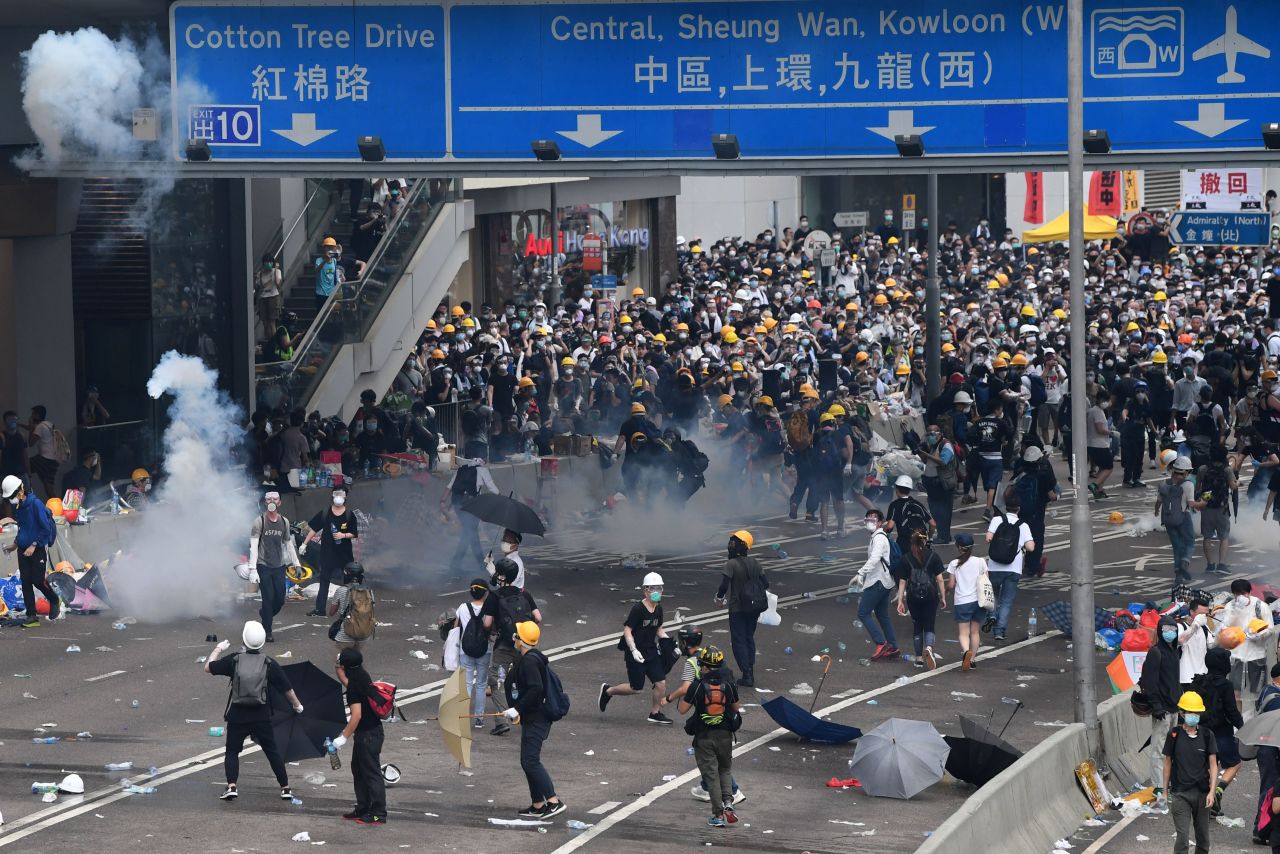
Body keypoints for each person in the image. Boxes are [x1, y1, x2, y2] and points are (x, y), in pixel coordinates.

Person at [203, 620, 301, 802]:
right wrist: (297, 706)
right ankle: (285, 788)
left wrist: (217, 649)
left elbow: (208, 667)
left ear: (244, 639)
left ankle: (232, 786)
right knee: (272, 751)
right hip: (261, 715)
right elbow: (287, 689)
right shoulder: (269, 663)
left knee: (232, 751)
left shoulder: (234, 659)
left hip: (237, 715)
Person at [665, 626, 746, 807]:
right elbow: (736, 705)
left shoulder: (693, 666)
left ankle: (727, 798)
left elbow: (685, 696)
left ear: (685, 642)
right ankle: (715, 791)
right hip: (725, 724)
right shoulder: (719, 663)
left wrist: (669, 699)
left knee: (709, 760)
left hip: (705, 723)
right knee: (720, 763)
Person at [503, 620, 566, 818]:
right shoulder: (529, 658)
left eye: (517, 635)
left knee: (530, 761)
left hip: (537, 717)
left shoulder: (530, 661)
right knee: (527, 760)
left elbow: (536, 689)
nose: (514, 637)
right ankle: (538, 804)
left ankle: (553, 801)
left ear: (521, 641)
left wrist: (517, 709)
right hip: (532, 717)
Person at [678, 645, 742, 828]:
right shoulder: (729, 684)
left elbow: (682, 710)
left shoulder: (698, 686)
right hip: (725, 735)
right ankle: (729, 804)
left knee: (711, 776)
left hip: (704, 737)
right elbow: (736, 708)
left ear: (703, 666)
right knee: (725, 770)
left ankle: (718, 815)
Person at [599, 571, 673, 723]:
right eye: (653, 588)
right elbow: (627, 630)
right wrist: (633, 650)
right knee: (636, 688)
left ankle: (655, 713)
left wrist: (670, 643)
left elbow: (658, 628)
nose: (657, 592)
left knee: (660, 683)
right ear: (645, 590)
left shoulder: (659, 608)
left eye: (659, 588)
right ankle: (608, 691)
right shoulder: (638, 609)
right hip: (636, 652)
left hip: (651, 651)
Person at [482, 558, 541, 736]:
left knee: (498, 680)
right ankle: (522, 713)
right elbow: (538, 617)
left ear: (501, 575)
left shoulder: (495, 596)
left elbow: (487, 623)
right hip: (524, 648)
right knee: (522, 679)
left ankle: (501, 720)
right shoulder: (525, 594)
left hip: (505, 647)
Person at [330, 648, 386, 825]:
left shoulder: (355, 685)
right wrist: (339, 669)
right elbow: (350, 685)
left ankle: (378, 813)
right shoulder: (361, 675)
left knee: (371, 773)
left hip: (368, 734)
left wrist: (343, 738)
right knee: (358, 769)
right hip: (370, 733)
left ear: (347, 666)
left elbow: (356, 715)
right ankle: (363, 807)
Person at [1161, 691, 1217, 854]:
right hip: (1181, 795)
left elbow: (1213, 765)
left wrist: (1212, 792)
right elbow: (1167, 763)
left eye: (1197, 713)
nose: (1194, 716)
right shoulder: (1174, 735)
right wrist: (1165, 792)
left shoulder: (1207, 735)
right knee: (1182, 839)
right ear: (1182, 713)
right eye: (1190, 712)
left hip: (1202, 794)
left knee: (1203, 840)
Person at [0, 475, 58, 627]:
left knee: (38, 581)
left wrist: (33, 545)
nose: (11, 500)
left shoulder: (36, 504)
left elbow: (45, 529)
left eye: (12, 496)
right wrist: (15, 545)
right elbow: (22, 529)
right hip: (23, 550)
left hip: (37, 549)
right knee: (25, 582)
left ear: (20, 491)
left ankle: (53, 599)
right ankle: (31, 616)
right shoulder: (18, 507)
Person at [1191, 648, 1242, 819]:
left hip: (1201, 732)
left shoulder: (1198, 681)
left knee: (1207, 767)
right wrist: (1243, 727)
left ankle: (1203, 802)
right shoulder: (1226, 685)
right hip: (1222, 733)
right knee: (1234, 763)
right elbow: (1231, 711)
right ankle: (1218, 791)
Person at [716, 530, 767, 687]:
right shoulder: (756, 563)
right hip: (753, 609)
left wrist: (719, 597)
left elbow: (724, 584)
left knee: (739, 640)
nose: (731, 545)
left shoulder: (731, 564)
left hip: (737, 608)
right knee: (748, 638)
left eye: (734, 542)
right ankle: (749, 669)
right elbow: (766, 583)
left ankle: (746, 674)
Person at [248, 490, 300, 643]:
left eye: (275, 499)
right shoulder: (259, 521)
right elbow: (253, 546)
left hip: (279, 565)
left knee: (280, 599)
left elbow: (289, 544)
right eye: (269, 499)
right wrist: (252, 569)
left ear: (280, 502)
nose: (272, 501)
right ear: (265, 502)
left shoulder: (284, 522)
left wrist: (297, 564)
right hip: (263, 565)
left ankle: (265, 613)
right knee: (268, 598)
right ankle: (267, 631)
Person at [983, 494, 1035, 643]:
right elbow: (1031, 547)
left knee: (992, 596)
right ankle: (999, 631)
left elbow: (988, 537)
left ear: (1005, 507)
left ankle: (991, 615)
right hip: (1013, 569)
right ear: (1019, 508)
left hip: (994, 566)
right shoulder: (1023, 525)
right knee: (1006, 601)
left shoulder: (997, 520)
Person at [1141, 616, 1184, 795]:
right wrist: (1156, 705)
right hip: (1162, 709)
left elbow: (1174, 681)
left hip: (1174, 707)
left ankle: (1168, 783)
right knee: (1159, 748)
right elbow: (1149, 682)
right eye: (1166, 629)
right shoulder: (1155, 652)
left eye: (1173, 630)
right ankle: (1159, 786)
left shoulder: (1173, 651)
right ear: (1159, 631)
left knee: (1171, 750)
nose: (1170, 633)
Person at [893, 530, 947, 669]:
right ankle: (929, 647)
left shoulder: (906, 558)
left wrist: (900, 601)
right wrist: (943, 596)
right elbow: (940, 579)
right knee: (929, 623)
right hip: (931, 595)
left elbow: (902, 582)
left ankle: (918, 658)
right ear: (925, 540)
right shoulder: (933, 556)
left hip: (913, 596)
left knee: (917, 625)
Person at [852, 509, 899, 661]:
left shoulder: (879, 538)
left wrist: (860, 573)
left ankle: (881, 643)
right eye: (868, 519)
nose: (870, 522)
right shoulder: (879, 537)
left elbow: (875, 558)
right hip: (885, 581)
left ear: (880, 523)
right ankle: (892, 646)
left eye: (873, 520)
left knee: (863, 612)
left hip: (877, 581)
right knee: (882, 615)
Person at [304, 486, 359, 617]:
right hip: (327, 553)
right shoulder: (325, 512)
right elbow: (313, 529)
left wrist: (343, 535)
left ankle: (350, 610)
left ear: (346, 496)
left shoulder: (349, 515)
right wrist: (304, 544)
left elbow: (354, 533)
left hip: (344, 554)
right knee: (324, 582)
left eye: (342, 494)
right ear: (332, 495)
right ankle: (320, 610)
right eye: (336, 494)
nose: (339, 496)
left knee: (349, 582)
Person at [1221, 578, 1273, 707]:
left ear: (1249, 592)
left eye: (1244, 593)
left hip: (1256, 655)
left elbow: (1270, 629)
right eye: (1237, 594)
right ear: (1234, 594)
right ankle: (1239, 726)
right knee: (1235, 693)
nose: (1241, 597)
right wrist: (1236, 612)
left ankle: (1256, 721)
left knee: (1257, 693)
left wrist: (1257, 635)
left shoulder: (1260, 606)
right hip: (1236, 656)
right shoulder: (1230, 607)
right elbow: (1225, 626)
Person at [440, 457, 498, 569]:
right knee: (471, 533)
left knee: (469, 533)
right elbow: (491, 486)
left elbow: (449, 487)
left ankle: (459, 564)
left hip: (458, 505)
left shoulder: (461, 469)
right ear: (483, 463)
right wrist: (501, 497)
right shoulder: (482, 470)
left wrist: (442, 502)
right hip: (472, 505)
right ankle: (478, 564)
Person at [946, 533, 987, 671]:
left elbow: (951, 585)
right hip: (979, 601)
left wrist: (945, 591)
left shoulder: (954, 564)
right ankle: (973, 659)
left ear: (958, 547)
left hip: (962, 601)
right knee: (975, 632)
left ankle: (965, 653)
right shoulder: (981, 561)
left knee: (963, 633)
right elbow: (986, 581)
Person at [1191, 447, 1235, 576]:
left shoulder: (1203, 469)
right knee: (1224, 537)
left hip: (1206, 507)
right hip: (1222, 508)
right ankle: (1221, 564)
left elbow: (1197, 487)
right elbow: (1233, 486)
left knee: (1207, 537)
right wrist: (1237, 483)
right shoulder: (1227, 470)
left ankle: (1210, 565)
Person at [454, 578, 492, 727]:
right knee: (481, 685)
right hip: (485, 649)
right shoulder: (489, 607)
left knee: (467, 684)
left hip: (466, 649)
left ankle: (463, 716)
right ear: (485, 593)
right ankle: (479, 719)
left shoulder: (463, 607)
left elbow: (457, 626)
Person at [1156, 457, 1197, 587]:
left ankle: (1178, 576)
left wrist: (1156, 511)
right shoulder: (1188, 484)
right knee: (1189, 542)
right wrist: (1202, 503)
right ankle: (1184, 562)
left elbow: (1159, 501)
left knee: (1176, 547)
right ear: (1186, 472)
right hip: (1183, 517)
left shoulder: (1164, 483)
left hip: (1168, 520)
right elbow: (1191, 504)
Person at [972, 398, 1013, 520]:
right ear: (997, 410)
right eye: (1001, 409)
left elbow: (970, 435)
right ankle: (987, 511)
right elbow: (1010, 433)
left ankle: (995, 509)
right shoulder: (1000, 422)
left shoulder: (979, 422)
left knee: (988, 485)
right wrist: (1003, 439)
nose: (1002, 411)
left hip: (981, 457)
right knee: (993, 485)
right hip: (995, 457)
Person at [917, 423, 957, 543]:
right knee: (935, 510)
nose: (930, 436)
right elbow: (927, 461)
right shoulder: (933, 445)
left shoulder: (946, 445)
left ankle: (944, 537)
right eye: (928, 434)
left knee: (943, 511)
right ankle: (942, 535)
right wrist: (921, 451)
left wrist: (927, 454)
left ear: (940, 433)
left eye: (932, 434)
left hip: (942, 484)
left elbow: (943, 462)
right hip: (932, 484)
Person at [1255, 664, 1280, 844]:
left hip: (1265, 746)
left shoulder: (1266, 690)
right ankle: (1263, 830)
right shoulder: (1276, 698)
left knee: (1267, 788)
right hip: (1273, 749)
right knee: (1271, 789)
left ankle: (1262, 829)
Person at [326, 561, 374, 650]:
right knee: (356, 659)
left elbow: (332, 612)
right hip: (363, 633)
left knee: (341, 661)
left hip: (345, 634)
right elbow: (371, 608)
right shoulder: (368, 592)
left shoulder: (341, 590)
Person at [884, 475, 934, 545]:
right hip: (922, 538)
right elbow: (933, 524)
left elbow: (890, 526)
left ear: (897, 489)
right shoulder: (917, 503)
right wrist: (930, 538)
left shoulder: (894, 505)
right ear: (909, 490)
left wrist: (883, 533)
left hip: (905, 541)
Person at [25, 405, 59, 500]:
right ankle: (58, 506)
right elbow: (31, 428)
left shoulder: (40, 427)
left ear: (38, 415)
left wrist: (31, 428)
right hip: (53, 460)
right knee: (49, 487)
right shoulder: (49, 424)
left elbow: (31, 442)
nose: (31, 416)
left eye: (33, 414)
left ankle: (26, 494)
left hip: (44, 459)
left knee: (24, 465)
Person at [1086, 391, 1115, 500]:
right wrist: (1111, 433)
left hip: (1093, 444)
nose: (1106, 403)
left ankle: (1099, 490)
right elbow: (1100, 429)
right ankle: (1095, 485)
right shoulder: (1097, 412)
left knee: (1103, 467)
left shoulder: (1093, 411)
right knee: (1108, 467)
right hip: (1099, 445)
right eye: (1105, 400)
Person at [0, 411, 28, 481]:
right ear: (5, 422)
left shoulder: (22, 436)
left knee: (27, 491)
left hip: (21, 473)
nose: (12, 422)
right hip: (6, 474)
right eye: (9, 420)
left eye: (14, 419)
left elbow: (25, 455)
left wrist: (28, 473)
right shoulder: (2, 437)